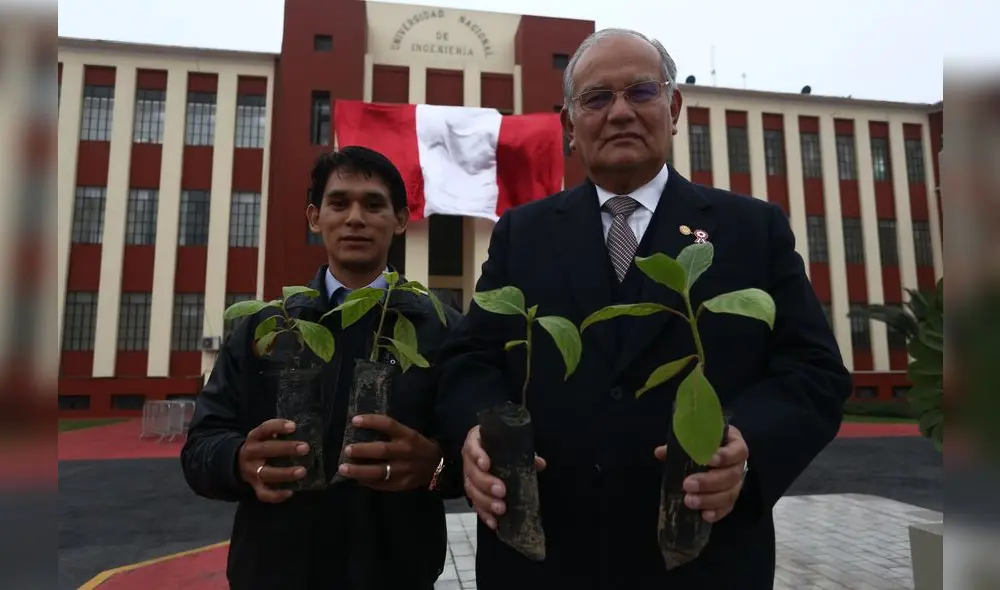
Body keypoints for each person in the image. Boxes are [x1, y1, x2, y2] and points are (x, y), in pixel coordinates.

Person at [434, 28, 852, 589]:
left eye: (641, 92)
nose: (621, 112)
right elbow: (470, 361)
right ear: (569, 126)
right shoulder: (522, 234)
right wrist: (475, 434)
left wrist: (747, 452)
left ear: (673, 107)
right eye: (597, 98)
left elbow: (814, 371)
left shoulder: (751, 229)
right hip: (541, 559)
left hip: (702, 558)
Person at [181, 145, 464, 590]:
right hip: (274, 572)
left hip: (395, 572)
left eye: (373, 204)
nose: (355, 217)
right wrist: (238, 461)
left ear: (401, 219)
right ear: (315, 217)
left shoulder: (440, 327)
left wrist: (437, 466)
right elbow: (200, 446)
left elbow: (469, 454)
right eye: (339, 202)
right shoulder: (268, 325)